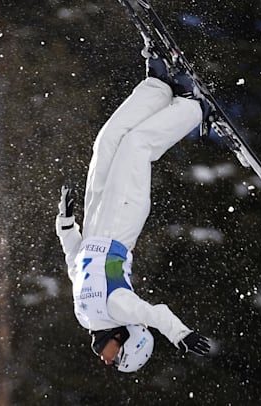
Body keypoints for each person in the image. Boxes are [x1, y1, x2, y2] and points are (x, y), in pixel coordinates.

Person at [56, 48, 211, 373]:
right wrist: (180, 334)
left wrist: (66, 225)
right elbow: (154, 314)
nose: (104, 358)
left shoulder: (84, 314)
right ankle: (194, 109)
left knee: (108, 142)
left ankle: (158, 87)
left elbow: (75, 264)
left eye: (110, 360)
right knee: (136, 145)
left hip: (95, 221)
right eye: (116, 357)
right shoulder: (118, 310)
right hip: (120, 225)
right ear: (129, 339)